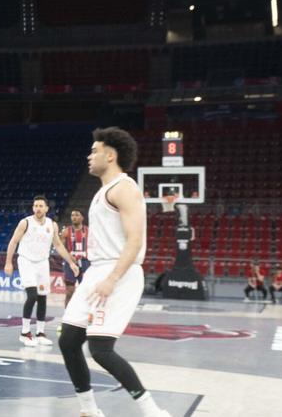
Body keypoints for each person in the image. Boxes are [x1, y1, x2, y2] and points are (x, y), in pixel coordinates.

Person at [60, 128, 170, 417]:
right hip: (98, 270)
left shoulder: (124, 188)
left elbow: (134, 240)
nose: (89, 155)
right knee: (69, 341)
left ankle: (152, 411)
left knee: (100, 349)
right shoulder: (103, 191)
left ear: (110, 155)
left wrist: (112, 278)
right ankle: (89, 410)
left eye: (94, 150)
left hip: (120, 272)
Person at [5, 196, 80, 347]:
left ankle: (40, 333)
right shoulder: (25, 223)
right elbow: (13, 241)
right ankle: (25, 333)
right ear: (33, 208)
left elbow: (58, 245)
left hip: (42, 263)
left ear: (46, 208)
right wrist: (8, 262)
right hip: (26, 261)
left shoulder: (52, 225)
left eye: (41, 206)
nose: (38, 208)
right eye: (35, 206)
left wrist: (71, 262)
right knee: (32, 295)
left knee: (42, 298)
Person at [59, 210, 90, 306]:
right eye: (72, 215)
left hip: (85, 263)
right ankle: (66, 316)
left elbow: (95, 246)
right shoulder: (66, 231)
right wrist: (69, 256)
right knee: (69, 292)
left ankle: (84, 315)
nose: (74, 217)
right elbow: (60, 248)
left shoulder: (89, 231)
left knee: (85, 291)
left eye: (77, 215)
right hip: (70, 263)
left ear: (82, 218)